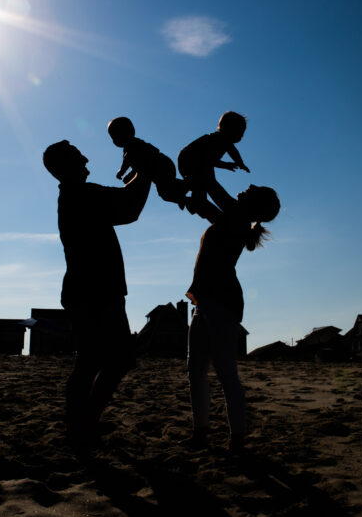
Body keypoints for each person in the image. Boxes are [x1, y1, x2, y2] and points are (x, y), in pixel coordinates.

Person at [43, 139, 152, 448]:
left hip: (91, 291)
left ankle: (81, 425)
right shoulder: (81, 196)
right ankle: (82, 426)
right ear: (66, 165)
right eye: (79, 156)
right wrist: (147, 170)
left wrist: (143, 172)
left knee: (96, 361)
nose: (87, 158)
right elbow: (130, 207)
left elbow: (125, 197)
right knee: (105, 361)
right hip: (96, 292)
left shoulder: (77, 195)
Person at [186, 183, 280, 452]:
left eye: (253, 189)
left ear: (253, 204)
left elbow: (211, 187)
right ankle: (201, 433)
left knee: (225, 372)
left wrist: (203, 170)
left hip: (221, 301)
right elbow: (205, 201)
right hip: (205, 300)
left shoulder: (237, 217)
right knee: (196, 371)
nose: (247, 186)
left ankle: (236, 438)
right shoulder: (234, 217)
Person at [177, 111, 250, 215]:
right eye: (240, 132)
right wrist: (232, 164)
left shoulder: (222, 141)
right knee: (206, 179)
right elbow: (209, 159)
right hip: (189, 159)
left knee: (203, 183)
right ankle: (187, 194)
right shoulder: (218, 140)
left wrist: (235, 164)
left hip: (192, 161)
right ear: (229, 129)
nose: (242, 136)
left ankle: (193, 202)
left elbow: (211, 159)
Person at [107, 117, 186, 209]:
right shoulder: (136, 147)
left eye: (115, 136)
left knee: (166, 191)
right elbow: (139, 167)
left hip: (161, 166)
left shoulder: (132, 147)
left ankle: (188, 186)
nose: (114, 141)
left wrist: (122, 171)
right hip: (163, 165)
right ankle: (183, 198)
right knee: (165, 193)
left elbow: (129, 160)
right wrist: (130, 175)